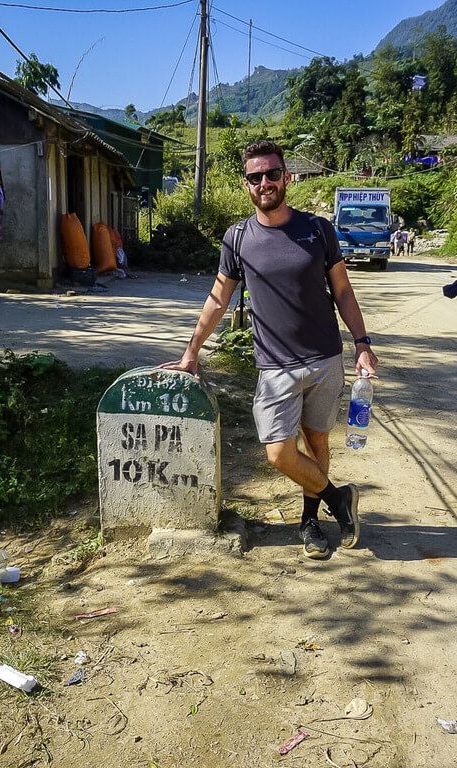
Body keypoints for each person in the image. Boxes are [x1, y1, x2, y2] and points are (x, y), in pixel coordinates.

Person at [162, 140, 378, 560]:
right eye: (255, 177)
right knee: (279, 452)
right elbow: (217, 300)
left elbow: (344, 292)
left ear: (287, 177)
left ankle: (310, 520)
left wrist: (363, 345)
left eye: (272, 174)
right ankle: (339, 500)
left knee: (317, 443)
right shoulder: (238, 238)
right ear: (246, 184)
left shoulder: (317, 230)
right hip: (275, 365)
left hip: (324, 358)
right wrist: (192, 351)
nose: (265, 183)